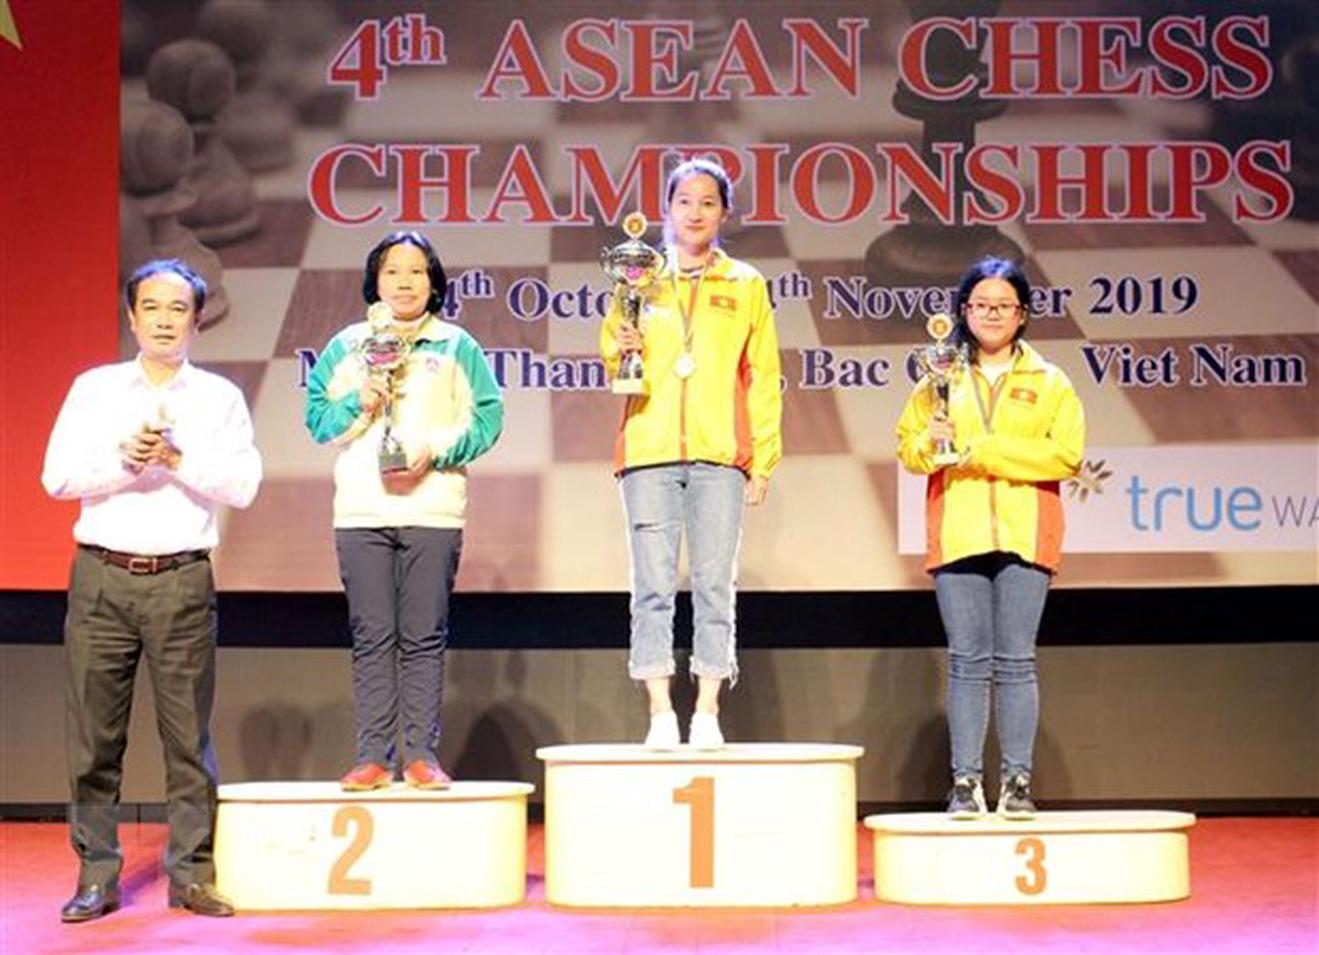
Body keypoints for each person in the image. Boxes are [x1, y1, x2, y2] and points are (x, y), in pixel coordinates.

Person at [42, 259, 262, 921]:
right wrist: (124, 460)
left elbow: (243, 486)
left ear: (197, 320)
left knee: (188, 739)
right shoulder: (95, 389)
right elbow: (57, 478)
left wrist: (176, 458)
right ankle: (95, 875)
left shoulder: (219, 397)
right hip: (102, 577)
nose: (165, 321)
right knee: (94, 739)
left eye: (178, 309)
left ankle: (191, 874)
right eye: (152, 308)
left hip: (181, 579)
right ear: (132, 317)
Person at [305, 231, 503, 792]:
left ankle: (420, 755)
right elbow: (317, 420)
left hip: (432, 509)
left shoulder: (456, 345)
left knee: (422, 635)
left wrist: (433, 453)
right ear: (375, 280)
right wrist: (360, 402)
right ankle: (373, 755)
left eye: (416, 271)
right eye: (392, 271)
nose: (404, 282)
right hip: (362, 511)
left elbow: (488, 418)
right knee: (372, 635)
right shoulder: (349, 344)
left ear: (434, 282)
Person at [599, 158, 783, 749]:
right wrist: (620, 344)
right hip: (648, 450)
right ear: (668, 210)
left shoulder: (745, 284)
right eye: (684, 201)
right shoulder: (639, 278)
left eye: (708, 202)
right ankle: (659, 711)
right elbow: (612, 357)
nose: (695, 212)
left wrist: (763, 458)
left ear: (724, 213)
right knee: (651, 586)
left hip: (719, 455)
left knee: (714, 585)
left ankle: (706, 709)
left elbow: (763, 375)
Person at [897, 256, 1085, 819]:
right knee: (967, 661)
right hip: (959, 531)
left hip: (1027, 534)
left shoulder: (1050, 381)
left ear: (1023, 314)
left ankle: (1018, 782)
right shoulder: (940, 377)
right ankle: (966, 783)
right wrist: (932, 443)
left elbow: (1066, 455)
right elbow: (910, 450)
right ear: (964, 311)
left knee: (1017, 661)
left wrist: (983, 451)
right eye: (981, 305)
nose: (992, 314)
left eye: (1004, 305)